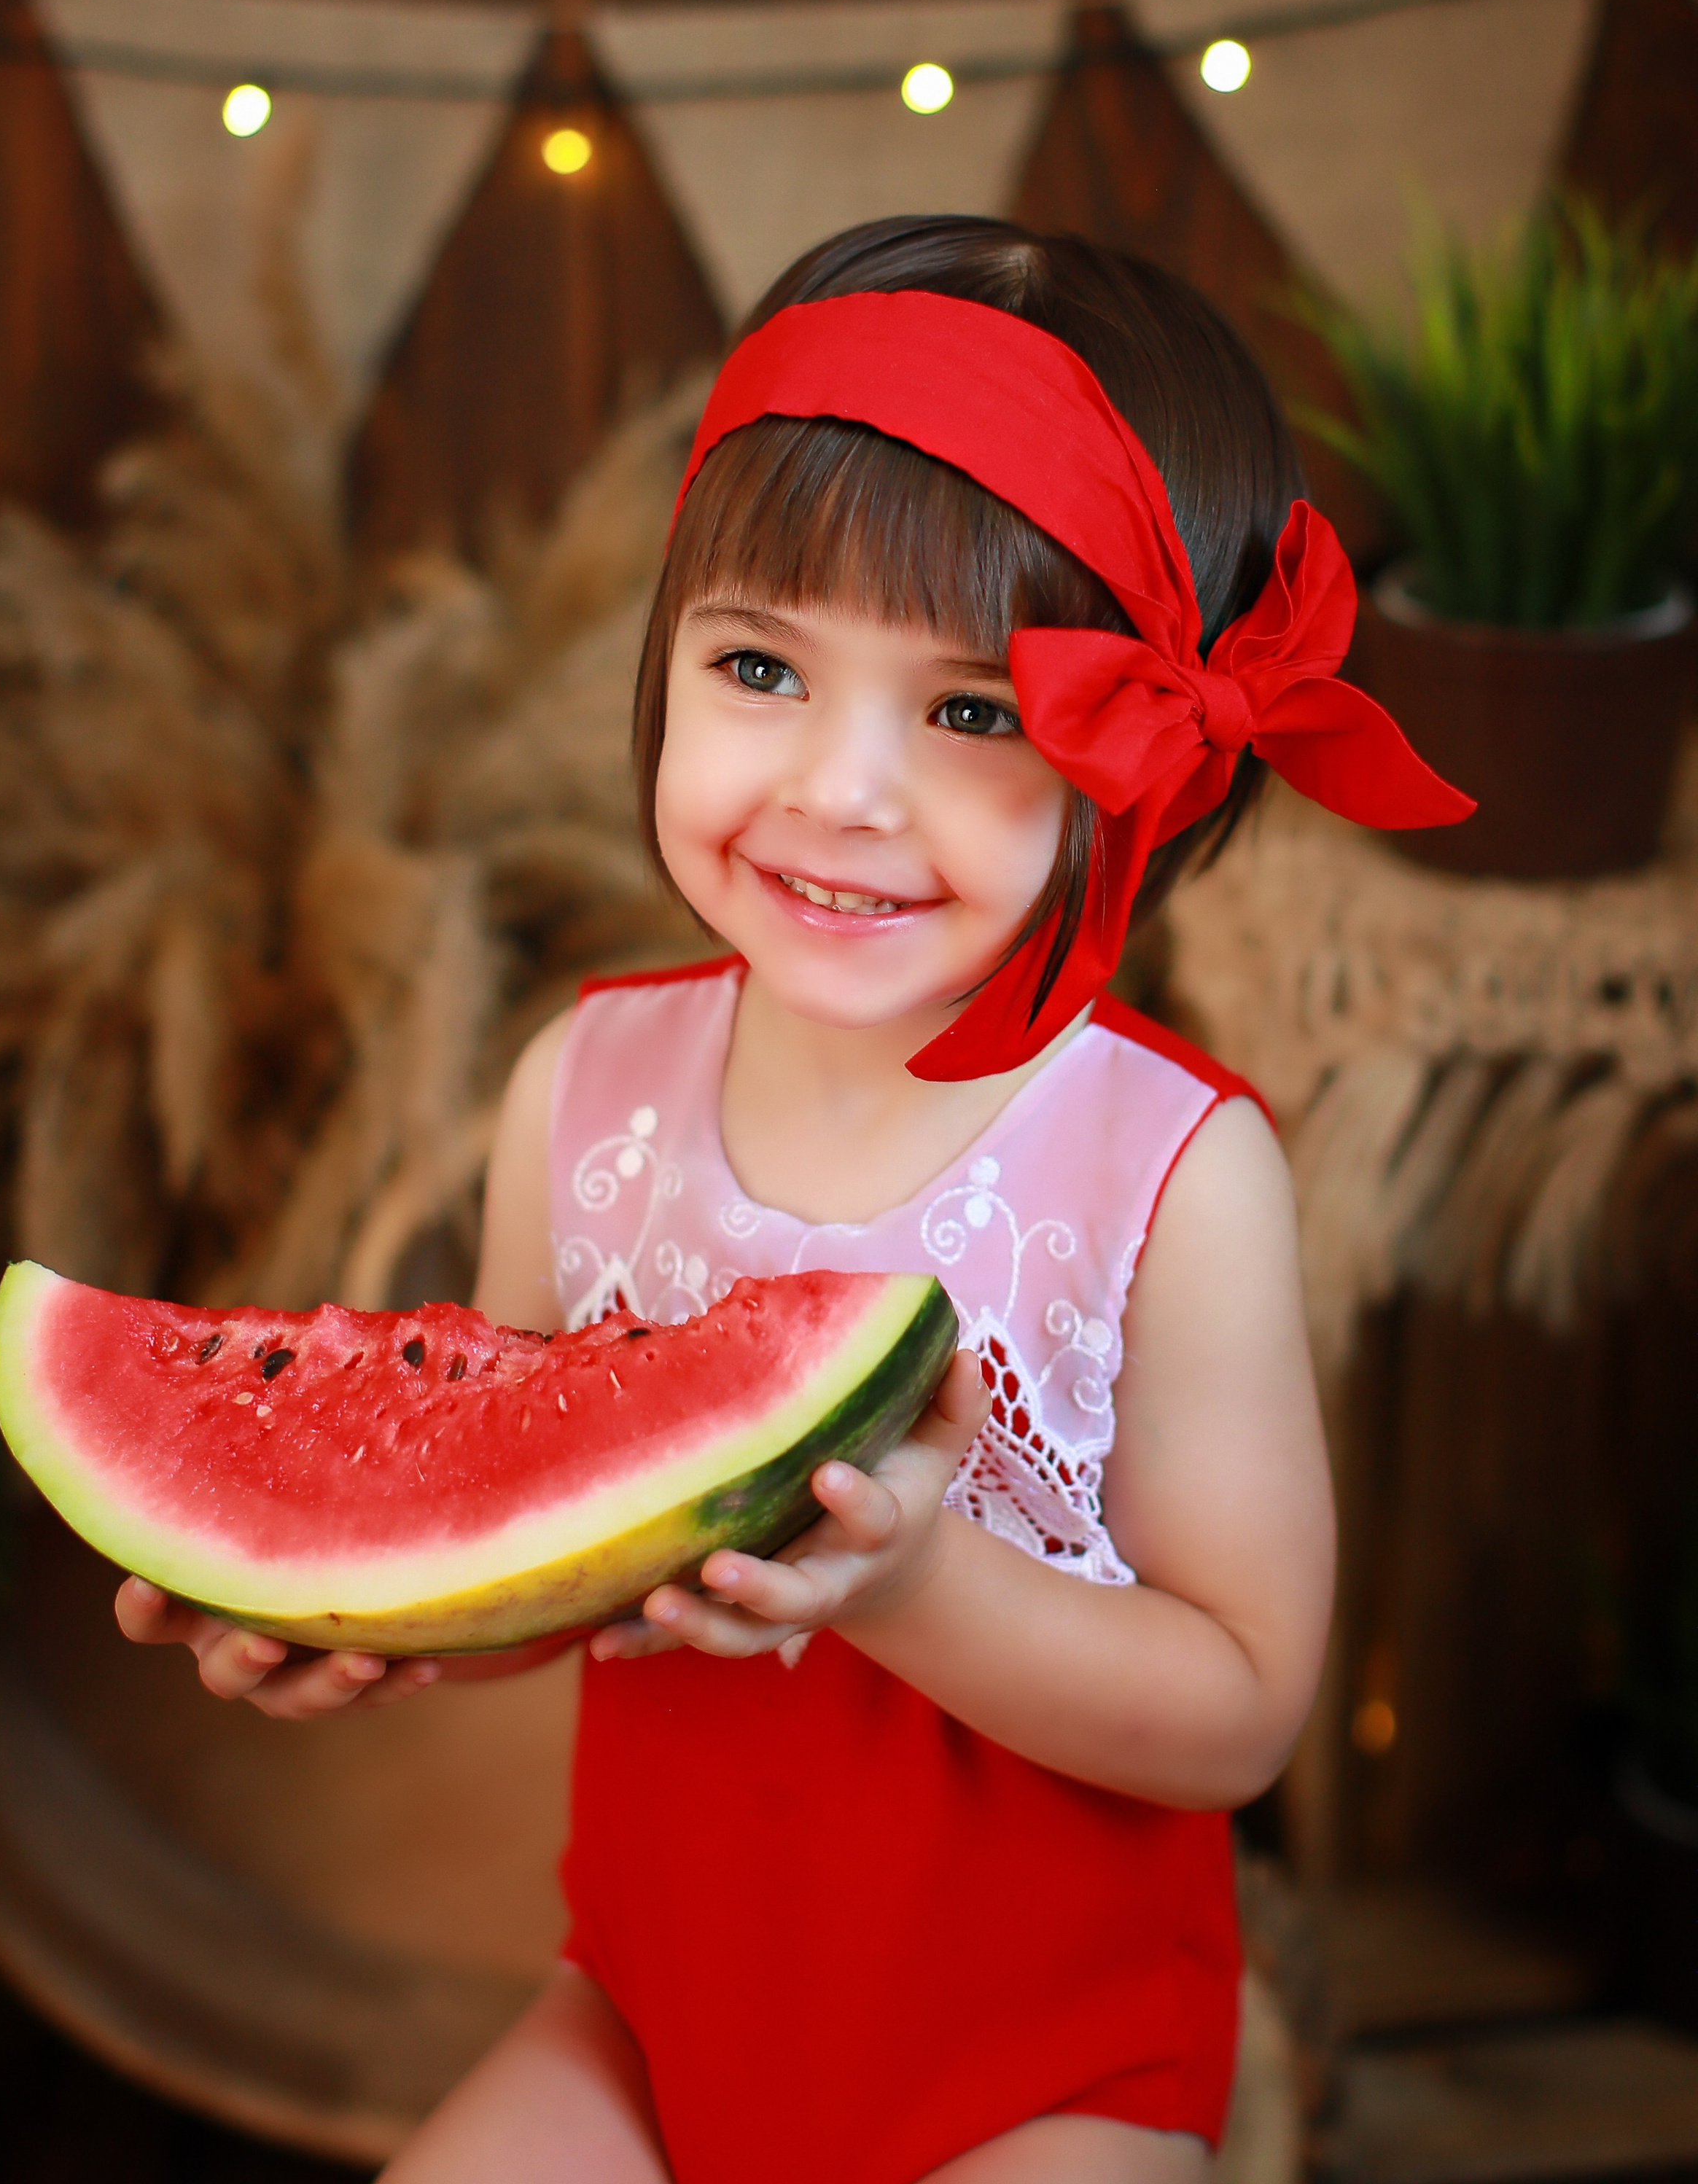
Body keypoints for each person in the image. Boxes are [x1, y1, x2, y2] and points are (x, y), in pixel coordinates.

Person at [117, 219, 1470, 2184]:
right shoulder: (584, 1097)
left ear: (1144, 767)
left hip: (1054, 2076)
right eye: (761, 666)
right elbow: (539, 1525)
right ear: (665, 649)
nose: (839, 792)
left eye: (974, 712)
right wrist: (365, 1606)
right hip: (654, 2021)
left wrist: (916, 1583)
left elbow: (1246, 1707)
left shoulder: (1171, 1170)